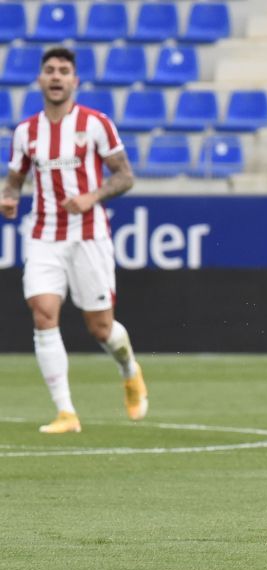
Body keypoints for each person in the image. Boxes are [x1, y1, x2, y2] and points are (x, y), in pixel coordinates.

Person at [0, 47, 147, 433]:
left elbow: (125, 175)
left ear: (74, 81)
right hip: (43, 235)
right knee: (43, 313)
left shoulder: (96, 123)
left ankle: (130, 370)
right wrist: (9, 198)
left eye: (64, 71)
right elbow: (14, 179)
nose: (56, 76)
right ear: (40, 80)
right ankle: (66, 412)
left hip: (88, 236)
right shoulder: (26, 132)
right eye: (49, 70)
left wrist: (92, 196)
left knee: (101, 329)